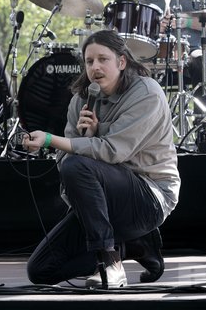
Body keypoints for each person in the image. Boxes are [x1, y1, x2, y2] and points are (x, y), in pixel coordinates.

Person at [23, 29, 180, 288]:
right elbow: (65, 162)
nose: (95, 67)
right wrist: (87, 138)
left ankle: (110, 262)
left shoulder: (146, 93)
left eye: (102, 59)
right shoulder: (81, 101)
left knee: (78, 165)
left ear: (121, 62)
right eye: (89, 61)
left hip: (150, 196)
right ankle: (133, 246)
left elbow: (113, 151)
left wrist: (51, 140)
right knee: (40, 270)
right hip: (101, 199)